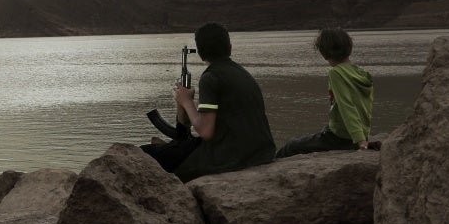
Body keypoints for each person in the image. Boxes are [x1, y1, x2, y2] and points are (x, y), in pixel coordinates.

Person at [141, 22, 277, 182]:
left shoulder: (211, 78)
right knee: (175, 147)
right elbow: (185, 130)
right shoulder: (242, 73)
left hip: (231, 157)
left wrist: (187, 102)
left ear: (200, 54)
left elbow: (205, 131)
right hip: (260, 152)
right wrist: (184, 102)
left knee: (145, 154)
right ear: (230, 47)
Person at [275, 27, 375, 158]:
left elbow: (347, 106)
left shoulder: (336, 73)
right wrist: (363, 135)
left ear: (323, 52)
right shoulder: (361, 73)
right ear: (349, 48)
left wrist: (360, 141)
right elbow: (366, 106)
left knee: (291, 146)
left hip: (340, 137)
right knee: (320, 133)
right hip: (354, 133)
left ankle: (270, 163)